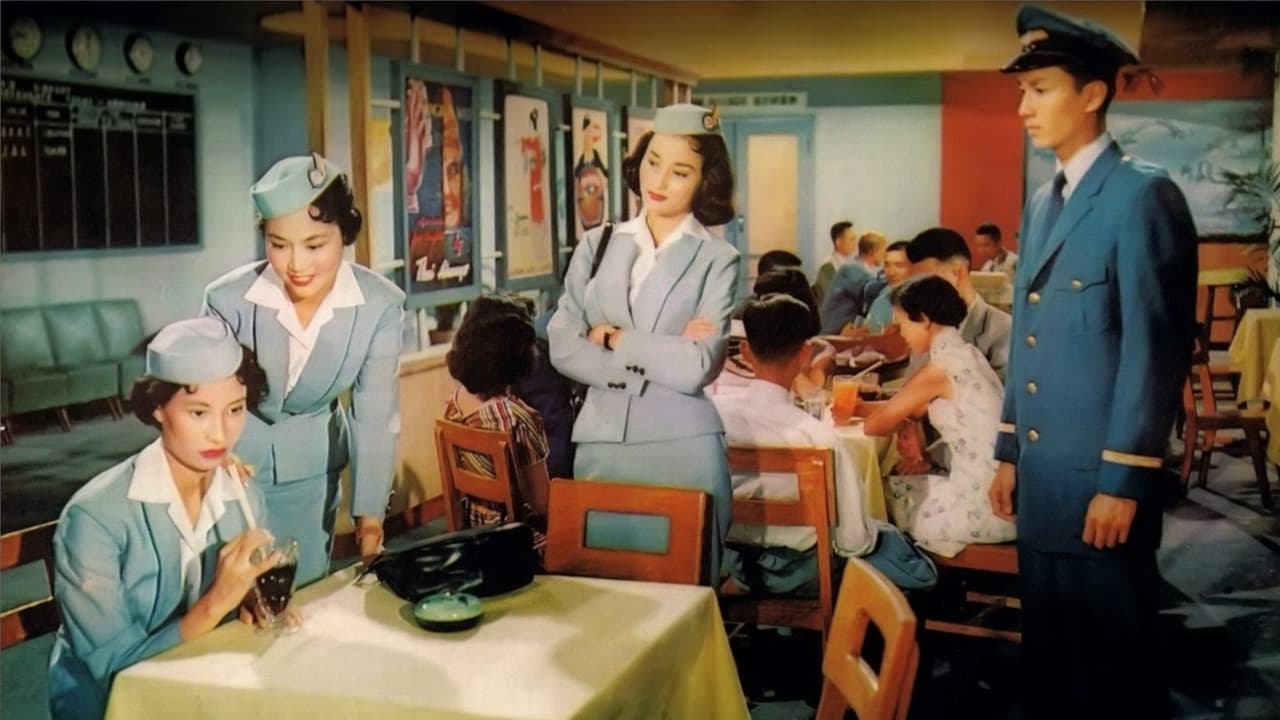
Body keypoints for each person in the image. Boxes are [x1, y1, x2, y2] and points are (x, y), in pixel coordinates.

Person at [990, 6, 1197, 718]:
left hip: (1101, 484)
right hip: (1044, 480)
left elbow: (1154, 352)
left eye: (1040, 89)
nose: (1024, 107)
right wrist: (1009, 450)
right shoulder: (1043, 202)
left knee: (1115, 676)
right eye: (1022, 91)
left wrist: (1124, 480)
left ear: (1093, 94)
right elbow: (1028, 335)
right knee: (1051, 669)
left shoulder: (1142, 195)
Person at [548, 103, 740, 585]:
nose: (660, 180)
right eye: (653, 162)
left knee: (684, 599)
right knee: (600, 596)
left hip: (685, 449)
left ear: (705, 181)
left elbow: (698, 366)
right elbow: (562, 344)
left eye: (681, 172)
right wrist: (657, 355)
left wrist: (614, 338)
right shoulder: (596, 244)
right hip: (601, 444)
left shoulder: (718, 258)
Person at [49, 318, 278, 720]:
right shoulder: (93, 518)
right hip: (111, 702)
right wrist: (216, 604)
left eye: (235, 409)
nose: (220, 434)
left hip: (203, 681)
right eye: (198, 412)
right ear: (158, 409)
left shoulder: (244, 495)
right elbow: (114, 665)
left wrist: (250, 603)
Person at [203, 153, 406, 586]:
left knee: (304, 596)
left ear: (345, 234)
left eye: (314, 245)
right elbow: (202, 397)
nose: (296, 264)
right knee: (229, 599)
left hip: (312, 474)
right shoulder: (227, 300)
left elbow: (375, 416)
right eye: (279, 245)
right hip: (231, 470)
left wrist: (371, 524)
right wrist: (216, 458)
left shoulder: (380, 306)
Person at [714, 294, 877, 595]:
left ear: (746, 352)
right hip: (808, 574)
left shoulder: (715, 422)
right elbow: (853, 541)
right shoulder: (819, 438)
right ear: (805, 353)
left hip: (738, 566)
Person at [857, 276, 1015, 552]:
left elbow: (875, 426)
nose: (900, 333)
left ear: (925, 320)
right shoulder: (967, 353)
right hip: (1002, 492)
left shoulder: (940, 368)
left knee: (871, 497)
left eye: (902, 324)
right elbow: (913, 407)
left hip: (984, 505)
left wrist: (864, 409)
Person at [444, 292, 551, 540]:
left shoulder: (454, 404)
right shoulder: (516, 419)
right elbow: (543, 504)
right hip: (515, 542)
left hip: (474, 535)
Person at [907, 227, 1012, 380]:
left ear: (957, 273)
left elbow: (1002, 392)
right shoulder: (924, 326)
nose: (919, 292)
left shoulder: (1002, 329)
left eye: (926, 282)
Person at [819, 228, 886, 334]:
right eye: (883, 250)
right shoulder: (851, 269)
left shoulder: (861, 268)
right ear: (872, 251)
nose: (884, 255)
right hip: (835, 331)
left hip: (847, 328)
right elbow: (873, 291)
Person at [863, 240, 912, 332]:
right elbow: (871, 333)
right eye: (887, 265)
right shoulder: (881, 301)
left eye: (899, 265)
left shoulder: (930, 300)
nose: (891, 272)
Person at [813, 221, 856, 303]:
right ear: (838, 242)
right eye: (851, 240)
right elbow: (830, 298)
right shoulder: (828, 266)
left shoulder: (852, 264)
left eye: (854, 239)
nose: (855, 244)